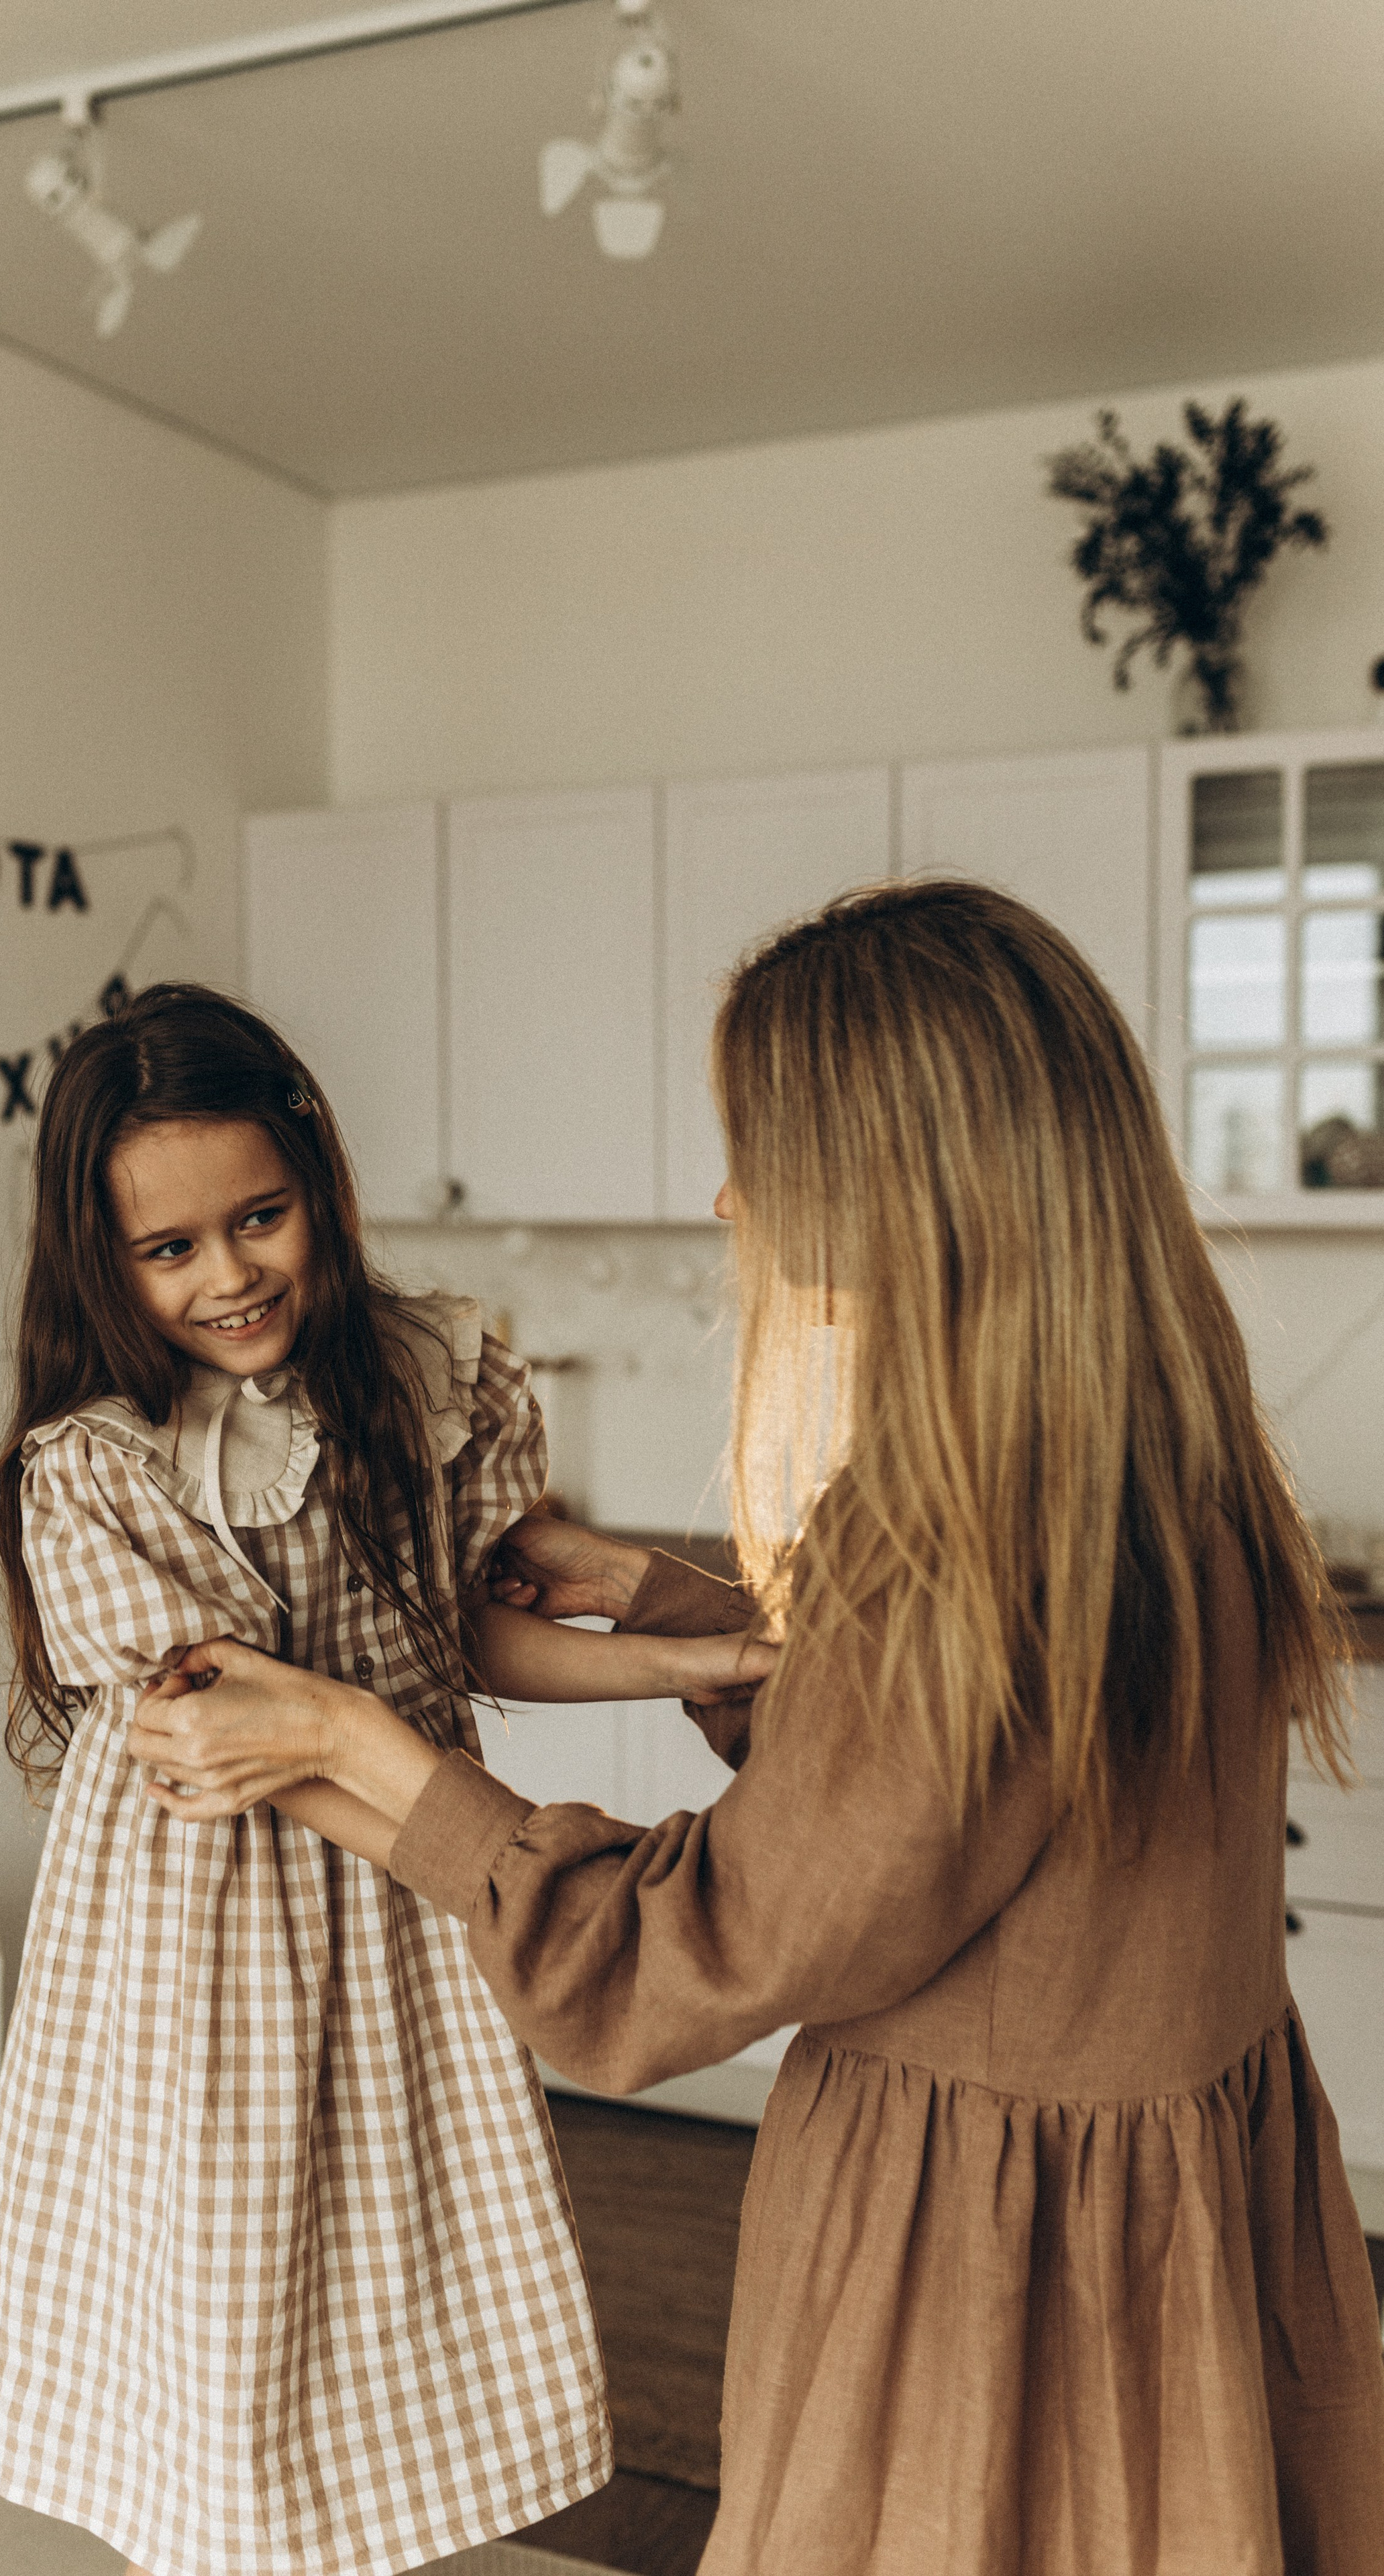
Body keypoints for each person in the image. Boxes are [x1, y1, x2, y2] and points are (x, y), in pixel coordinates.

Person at [129, 886, 1384, 2576]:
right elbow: (956, 1798)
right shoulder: (1171, 1467)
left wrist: (351, 1753)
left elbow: (676, 1965)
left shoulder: (953, 1540)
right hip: (1179, 2256)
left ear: (893, 1176)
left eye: (758, 1147)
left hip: (987, 2293)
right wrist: (661, 1598)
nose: (727, 1196)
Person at [0, 983, 768, 2576]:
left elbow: (465, 1634)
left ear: (315, 1178)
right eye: (169, 1249)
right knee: (221, 2299)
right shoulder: (100, 1468)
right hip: (213, 1921)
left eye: (257, 1218)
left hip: (410, 1872)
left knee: (394, 2287)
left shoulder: (419, 1375)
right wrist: (426, 1808)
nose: (229, 1273)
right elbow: (237, 1740)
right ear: (104, 1261)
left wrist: (697, 1657)